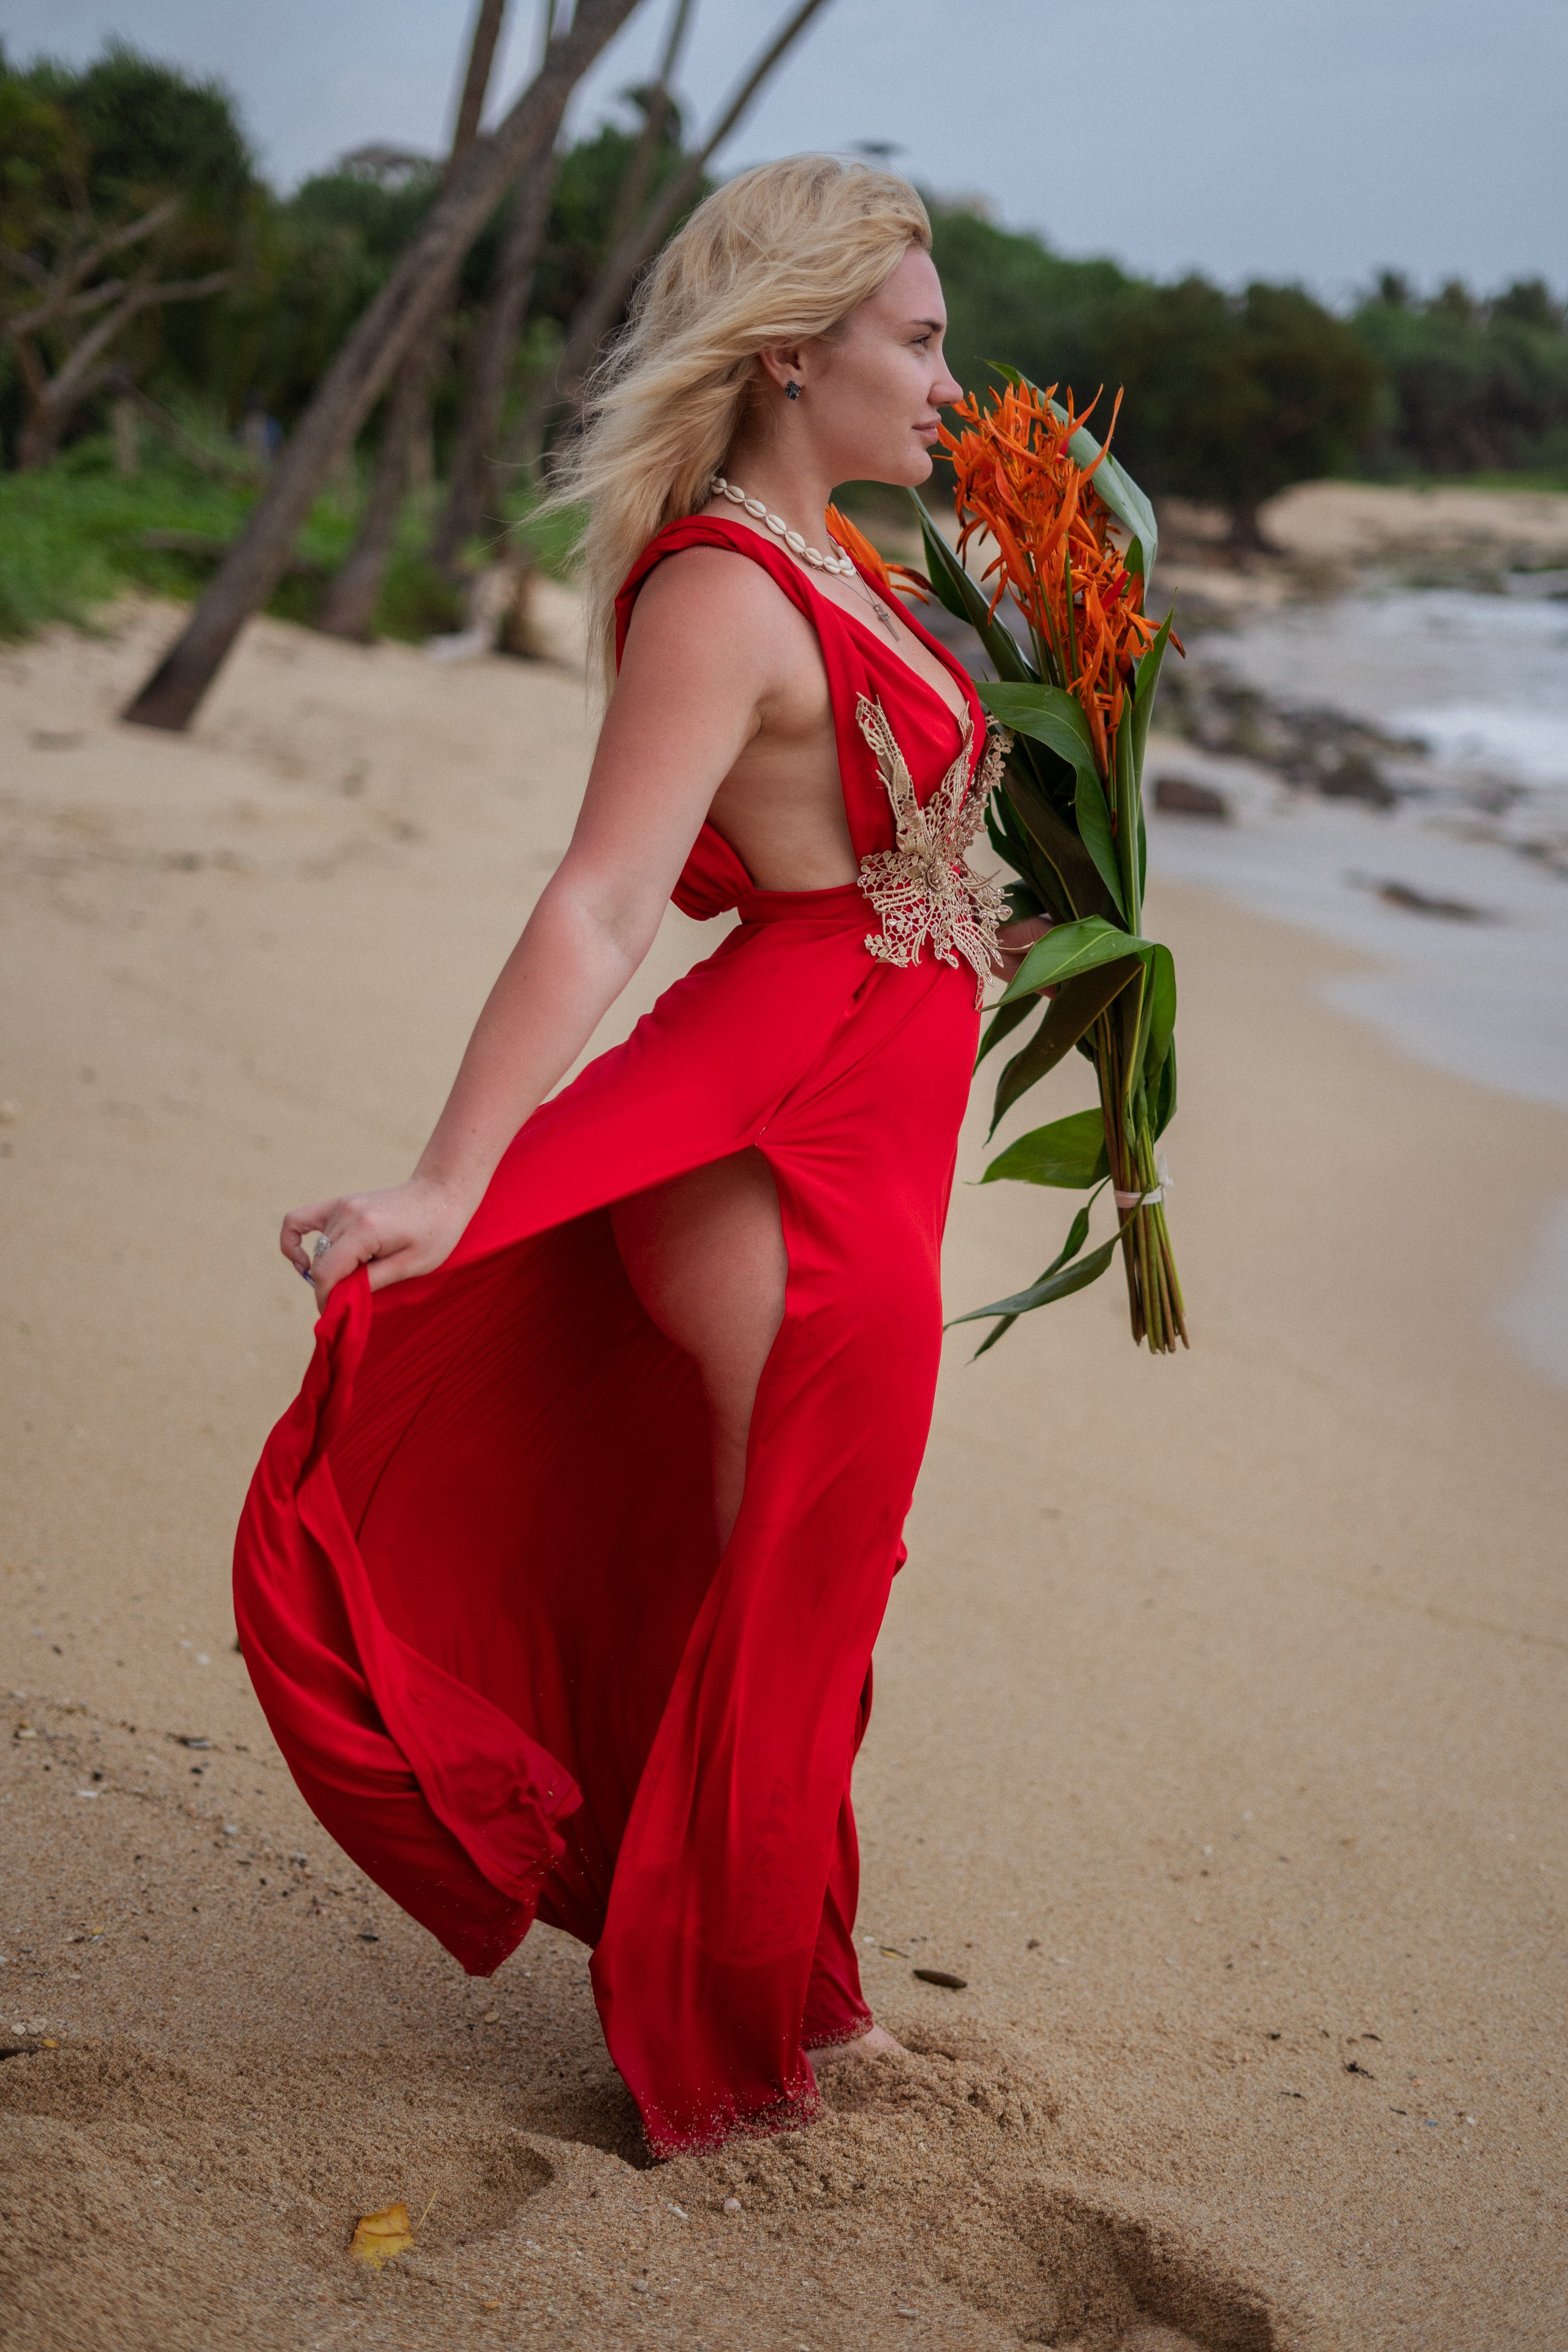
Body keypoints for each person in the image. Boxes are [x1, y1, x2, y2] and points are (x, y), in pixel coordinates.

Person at [234, 154, 1047, 2158]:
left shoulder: (865, 565)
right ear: (792, 352)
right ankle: (728, 2033)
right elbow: (601, 905)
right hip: (770, 1127)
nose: (955, 379)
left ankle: (790, 1980)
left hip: (878, 1105)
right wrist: (445, 1176)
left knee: (807, 1573)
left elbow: (898, 863)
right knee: (796, 1569)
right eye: (920, 340)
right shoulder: (723, 588)